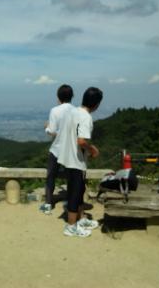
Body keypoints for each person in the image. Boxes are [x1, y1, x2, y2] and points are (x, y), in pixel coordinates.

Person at [57, 87, 103, 237]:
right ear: (97, 104)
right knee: (75, 193)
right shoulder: (86, 117)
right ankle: (71, 226)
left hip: (67, 157)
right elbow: (81, 141)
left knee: (79, 190)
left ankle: (81, 218)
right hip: (76, 161)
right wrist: (92, 150)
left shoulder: (73, 111)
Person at [39, 84, 75, 215]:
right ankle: (70, 202)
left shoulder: (55, 110)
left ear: (58, 97)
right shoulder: (76, 111)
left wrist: (46, 127)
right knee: (70, 177)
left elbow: (52, 131)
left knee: (50, 177)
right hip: (70, 150)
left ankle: (48, 204)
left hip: (57, 149)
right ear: (72, 97)